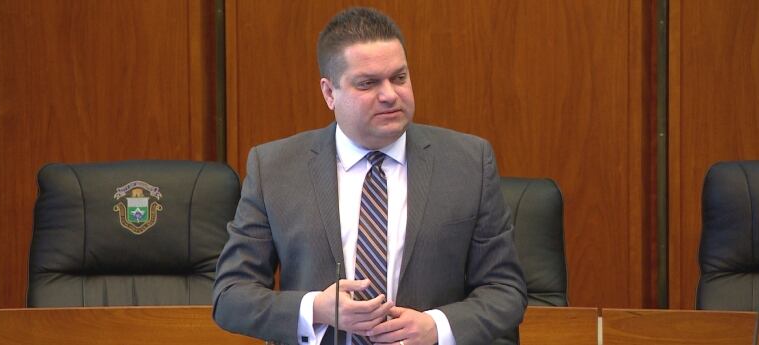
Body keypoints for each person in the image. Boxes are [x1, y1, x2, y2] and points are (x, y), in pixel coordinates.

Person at [212, 7, 526, 345]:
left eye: (399, 77)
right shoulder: (274, 168)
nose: (390, 94)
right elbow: (231, 296)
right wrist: (315, 309)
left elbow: (505, 290)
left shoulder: (468, 163)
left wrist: (437, 328)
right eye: (368, 83)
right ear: (329, 93)